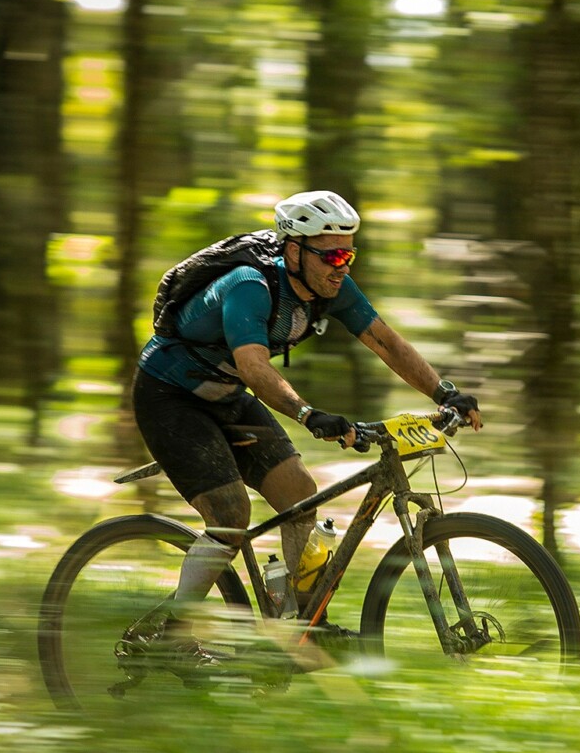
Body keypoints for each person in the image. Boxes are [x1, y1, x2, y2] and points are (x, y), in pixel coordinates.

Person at [131, 189, 482, 674]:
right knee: (231, 513)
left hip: (225, 396)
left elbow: (386, 342)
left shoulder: (332, 286)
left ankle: (294, 629)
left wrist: (445, 394)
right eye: (332, 254)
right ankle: (171, 630)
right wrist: (305, 413)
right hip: (169, 396)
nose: (342, 265)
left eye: (349, 253)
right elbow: (253, 366)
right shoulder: (250, 286)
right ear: (293, 250)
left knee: (300, 494)